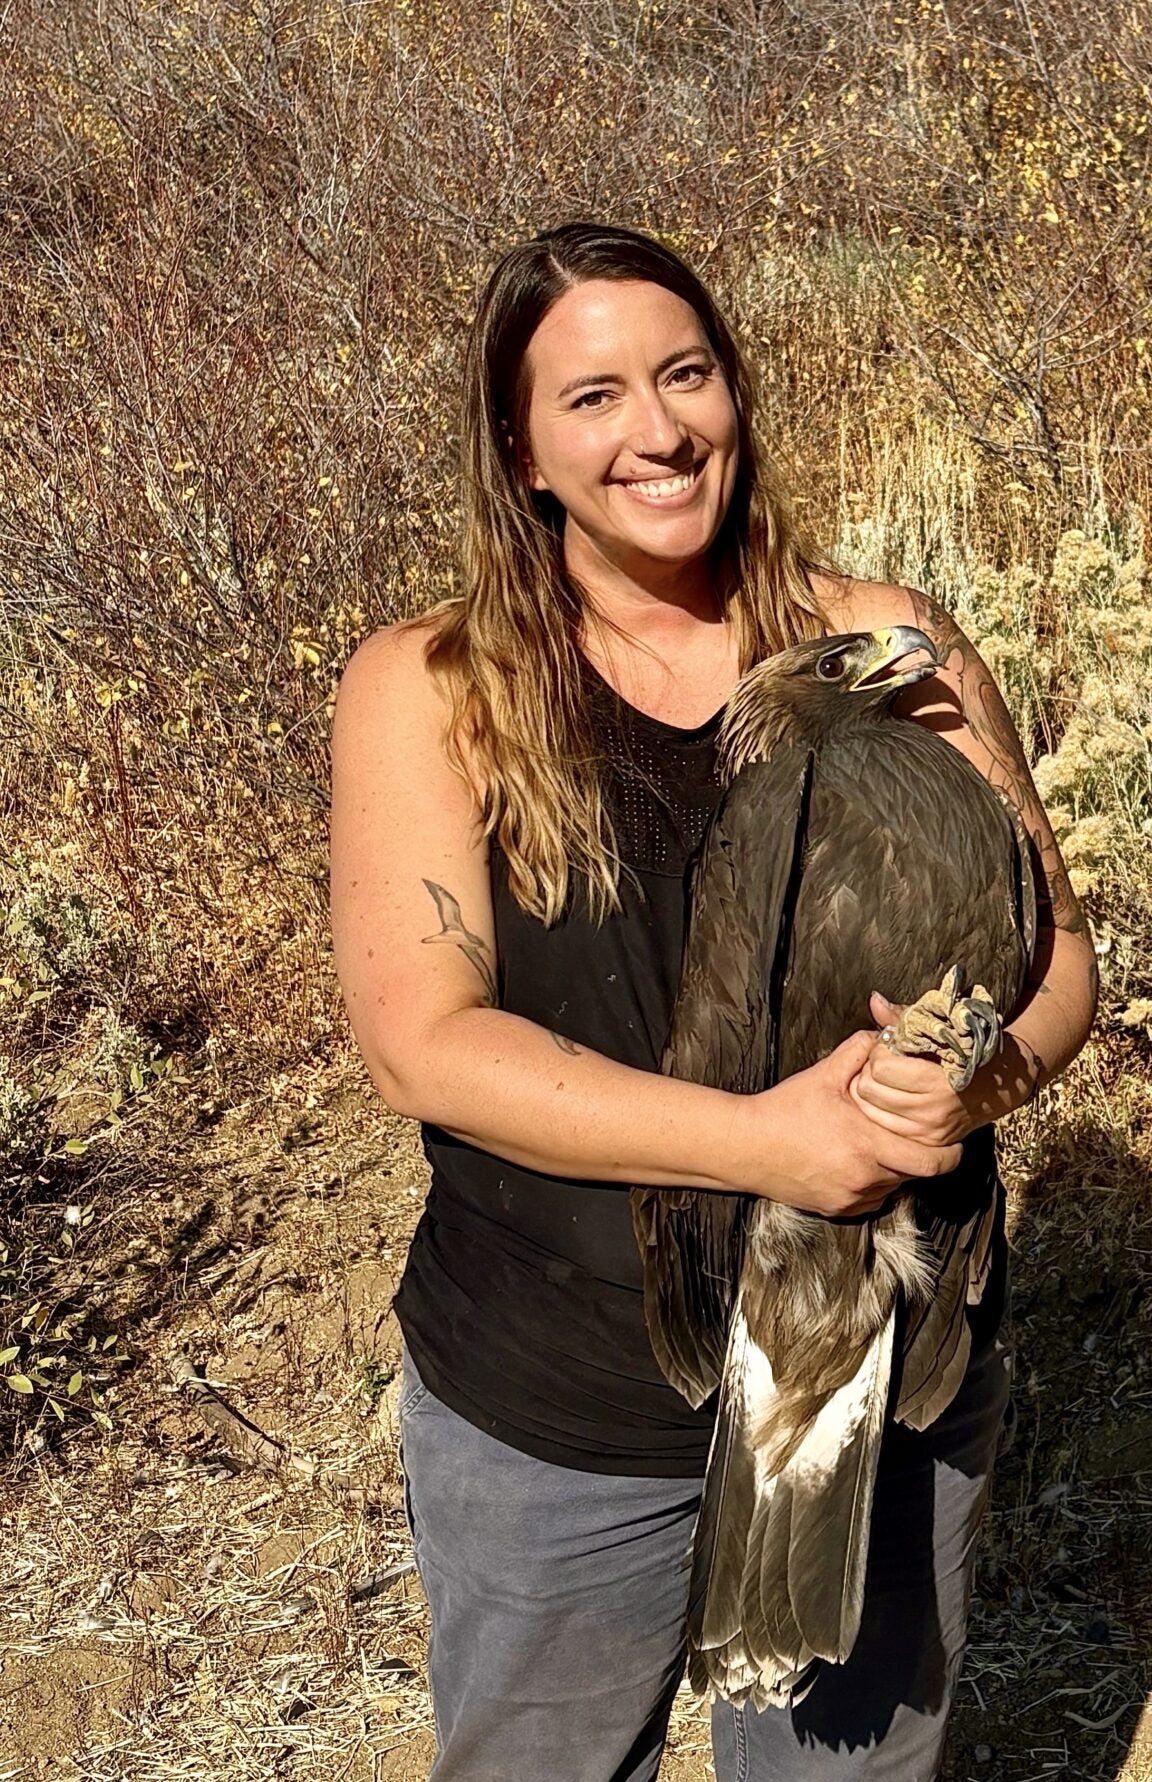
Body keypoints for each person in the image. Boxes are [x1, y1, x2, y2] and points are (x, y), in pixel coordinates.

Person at [329, 223, 1097, 1782]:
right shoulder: (432, 685)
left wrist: (972, 1076)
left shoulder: (890, 648)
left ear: (736, 391)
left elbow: (1061, 960)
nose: (657, 428)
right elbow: (425, 1036)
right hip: (557, 1392)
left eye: (686, 373)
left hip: (872, 1346)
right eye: (594, 395)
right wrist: (764, 1143)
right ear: (522, 450)